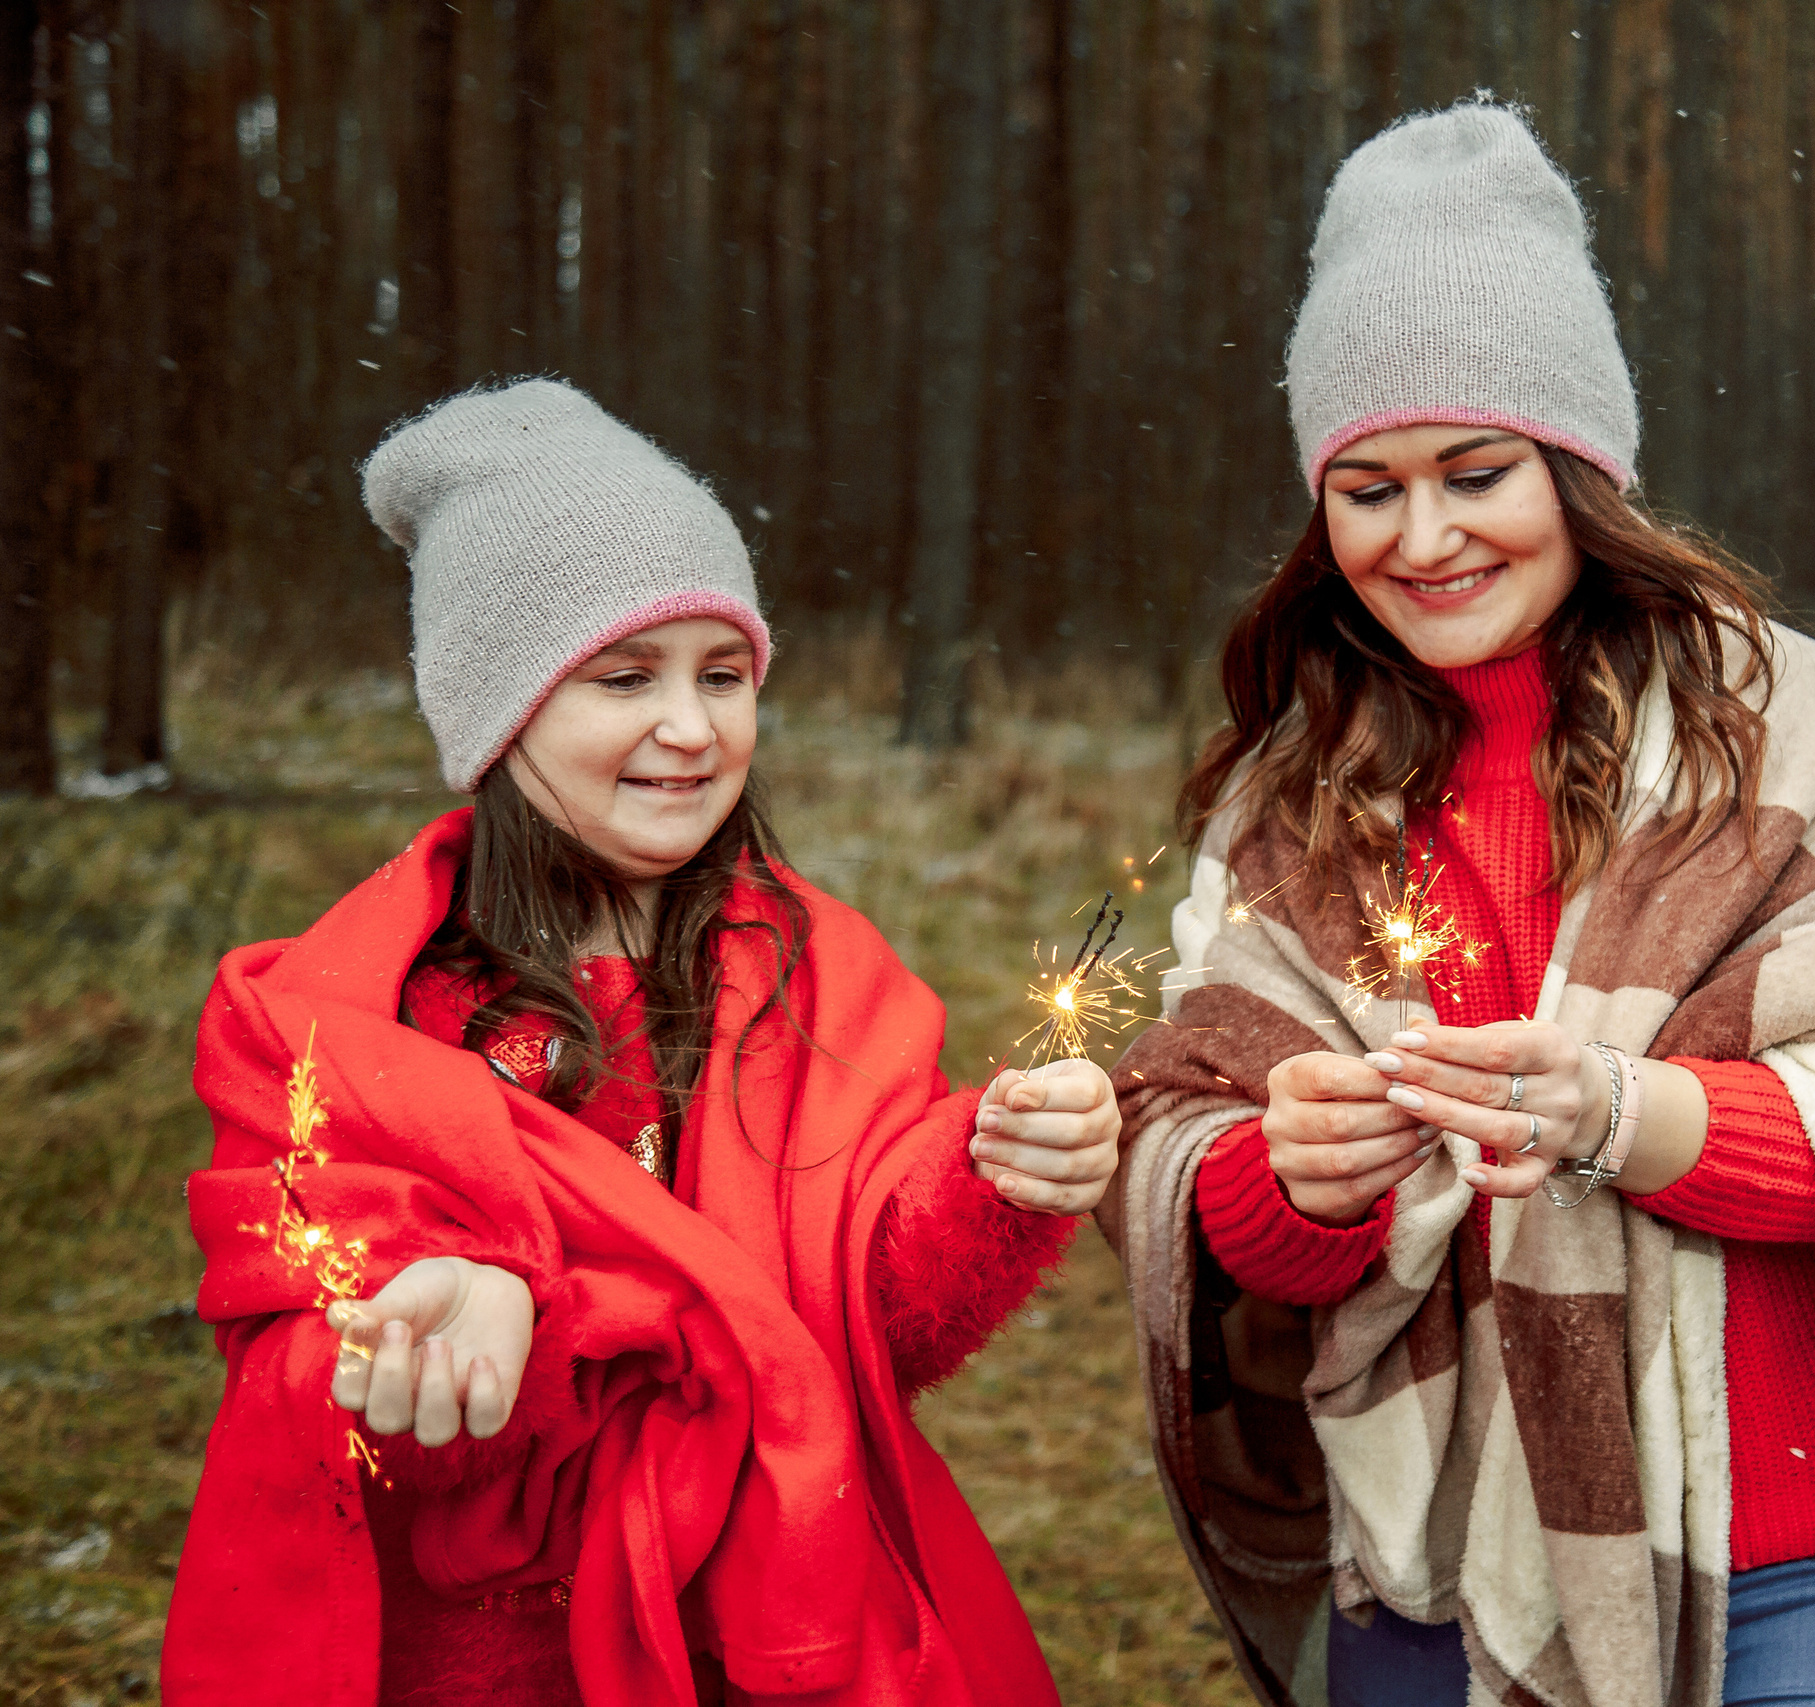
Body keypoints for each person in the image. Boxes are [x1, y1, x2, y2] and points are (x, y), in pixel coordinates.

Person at [1105, 103, 1815, 1707]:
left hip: (1808, 1557)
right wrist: (1287, 1185)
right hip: (1439, 1569)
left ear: (1581, 470)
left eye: (1476, 474)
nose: (1425, 538)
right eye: (1367, 489)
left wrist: (1621, 1114)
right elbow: (1175, 1144)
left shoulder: (1798, 738)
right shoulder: (1288, 809)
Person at [165, 380, 1114, 1706]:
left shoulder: (819, 978)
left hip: (761, 1625)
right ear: (502, 714)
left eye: (722, 674)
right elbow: (347, 1395)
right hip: (489, 1666)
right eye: (625, 677)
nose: (692, 727)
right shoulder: (354, 1023)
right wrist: (477, 1335)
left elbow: (869, 1325)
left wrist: (994, 1175)